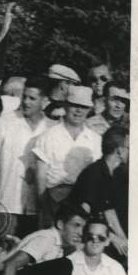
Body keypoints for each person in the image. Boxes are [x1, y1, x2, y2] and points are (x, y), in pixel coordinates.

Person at [0, 75, 53, 238]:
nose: (26, 102)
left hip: (37, 208)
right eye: (24, 97)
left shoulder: (51, 127)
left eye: (32, 98)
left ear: (45, 101)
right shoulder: (6, 121)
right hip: (5, 204)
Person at [34, 84, 102, 225]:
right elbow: (40, 176)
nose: (78, 111)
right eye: (74, 105)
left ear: (89, 110)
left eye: (83, 107)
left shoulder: (95, 139)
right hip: (54, 199)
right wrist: (45, 208)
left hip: (84, 202)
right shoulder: (48, 136)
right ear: (65, 106)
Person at [69, 125, 129, 265]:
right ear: (119, 151)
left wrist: (124, 241)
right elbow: (83, 215)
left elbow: (109, 211)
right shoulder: (93, 174)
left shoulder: (114, 173)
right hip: (81, 234)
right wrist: (113, 238)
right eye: (129, 148)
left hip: (99, 231)